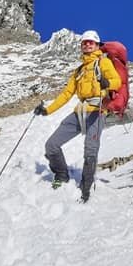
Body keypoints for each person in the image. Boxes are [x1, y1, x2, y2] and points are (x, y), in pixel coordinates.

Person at [33, 30, 121, 202]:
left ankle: (86, 187)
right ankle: (61, 175)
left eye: (91, 42)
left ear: (97, 45)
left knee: (90, 151)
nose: (87, 44)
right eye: (84, 42)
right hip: (80, 112)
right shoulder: (79, 71)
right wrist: (47, 110)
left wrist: (107, 83)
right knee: (51, 145)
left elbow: (117, 81)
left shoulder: (103, 63)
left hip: (97, 111)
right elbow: (67, 94)